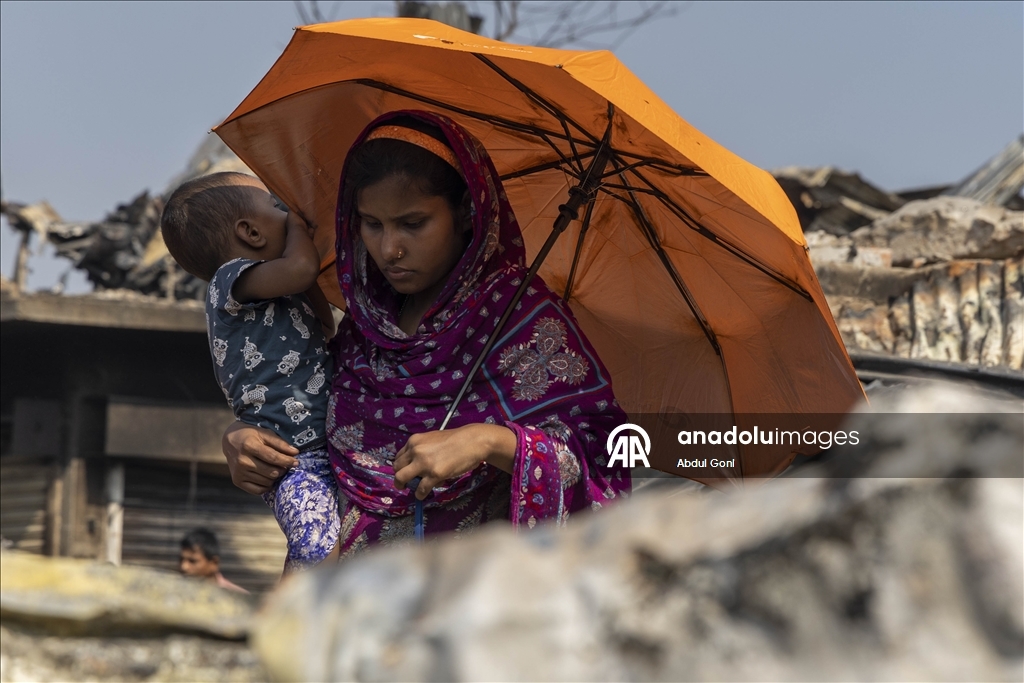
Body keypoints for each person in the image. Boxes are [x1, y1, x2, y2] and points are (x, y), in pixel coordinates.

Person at [222, 111, 631, 554]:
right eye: (372, 224)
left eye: (413, 224)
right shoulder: (367, 324)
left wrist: (489, 440)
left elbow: (605, 456)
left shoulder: (524, 323)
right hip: (338, 598)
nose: (389, 249)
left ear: (466, 215)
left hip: (462, 601)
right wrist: (245, 438)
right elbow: (306, 416)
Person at [162, 172, 340, 572]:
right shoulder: (230, 279)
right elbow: (301, 269)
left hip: (322, 449)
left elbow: (323, 326)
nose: (290, 214)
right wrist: (299, 228)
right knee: (316, 547)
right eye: (279, 206)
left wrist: (298, 253)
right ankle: (289, 625)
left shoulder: (274, 289)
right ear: (250, 233)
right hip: (292, 458)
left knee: (331, 536)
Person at [178, 528, 249, 594]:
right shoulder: (177, 593)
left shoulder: (236, 597)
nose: (184, 567)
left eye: (193, 561)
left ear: (214, 563)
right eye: (181, 560)